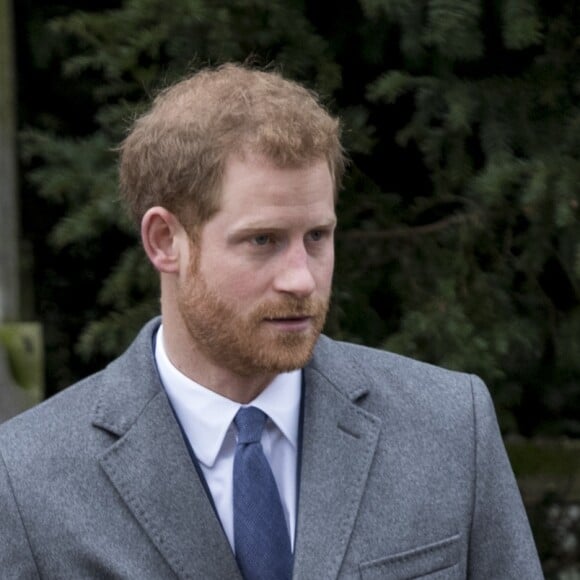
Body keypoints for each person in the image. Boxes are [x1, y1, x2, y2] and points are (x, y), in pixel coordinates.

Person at [0, 63, 543, 579]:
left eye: (317, 237)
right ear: (165, 241)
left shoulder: (448, 427)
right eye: (263, 240)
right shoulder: (27, 479)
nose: (302, 279)